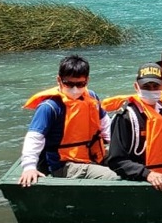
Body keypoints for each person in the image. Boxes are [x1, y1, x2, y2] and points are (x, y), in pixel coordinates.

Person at [18, 54, 117, 187]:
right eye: (69, 84)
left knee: (133, 164)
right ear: (59, 80)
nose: (75, 89)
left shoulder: (91, 97)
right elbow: (34, 138)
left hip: (92, 155)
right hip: (65, 165)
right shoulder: (49, 107)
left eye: (80, 84)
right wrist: (29, 167)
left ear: (87, 80)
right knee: (114, 176)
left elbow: (106, 127)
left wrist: (121, 152)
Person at [106, 63, 162, 191]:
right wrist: (147, 174)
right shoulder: (126, 116)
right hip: (139, 181)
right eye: (146, 87)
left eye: (155, 86)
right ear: (136, 87)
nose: (151, 90)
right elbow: (116, 160)